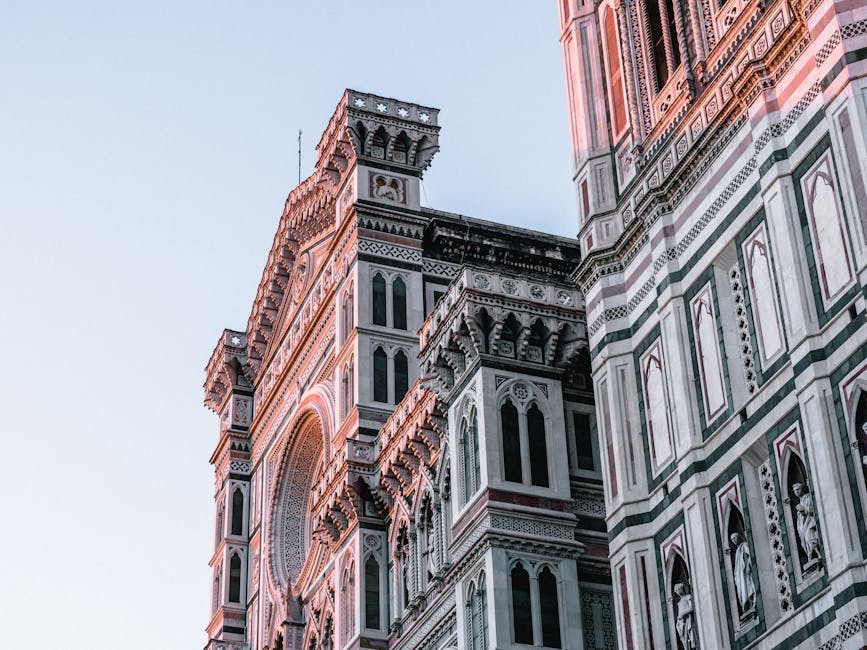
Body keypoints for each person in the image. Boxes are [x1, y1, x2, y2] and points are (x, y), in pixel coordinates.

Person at [792, 482, 821, 565]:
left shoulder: (807, 497)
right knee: (803, 541)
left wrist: (802, 510)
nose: (796, 492)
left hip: (810, 522)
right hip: (802, 524)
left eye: (798, 489)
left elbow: (811, 511)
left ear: (802, 489)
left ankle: (816, 555)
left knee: (809, 537)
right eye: (794, 491)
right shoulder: (800, 501)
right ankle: (810, 556)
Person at [730, 532, 756, 616]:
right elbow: (737, 566)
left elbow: (750, 555)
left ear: (739, 537)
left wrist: (748, 565)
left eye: (735, 538)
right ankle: (747, 607)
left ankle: (752, 604)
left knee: (748, 588)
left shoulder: (744, 545)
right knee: (743, 591)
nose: (734, 540)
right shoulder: (737, 551)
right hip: (740, 576)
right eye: (732, 539)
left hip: (745, 574)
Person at [674, 582, 697, 649]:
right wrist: (678, 622)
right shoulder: (679, 602)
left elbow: (691, 607)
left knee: (690, 637)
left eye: (678, 589)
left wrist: (683, 614)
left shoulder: (688, 597)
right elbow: (679, 613)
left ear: (682, 589)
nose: (677, 592)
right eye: (676, 590)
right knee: (684, 642)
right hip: (681, 623)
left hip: (687, 621)